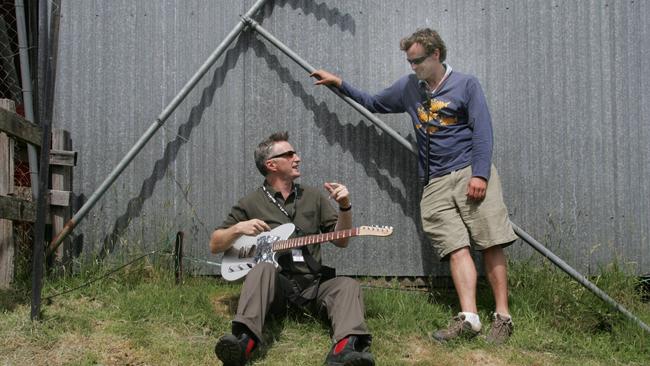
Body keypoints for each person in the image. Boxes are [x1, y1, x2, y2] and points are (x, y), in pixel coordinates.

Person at [311, 28, 518, 344]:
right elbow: (373, 102)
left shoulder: (466, 84)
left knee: (490, 241)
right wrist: (339, 83)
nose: (413, 67)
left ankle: (502, 318)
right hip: (434, 181)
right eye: (409, 61)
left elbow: (483, 132)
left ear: (436, 54)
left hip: (468, 172)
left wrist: (480, 175)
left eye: (418, 61)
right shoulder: (410, 88)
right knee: (455, 246)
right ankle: (470, 318)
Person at [210, 131, 374, 366]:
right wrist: (238, 229)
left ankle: (345, 350)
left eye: (295, 153)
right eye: (289, 154)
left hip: (313, 286)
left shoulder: (314, 196)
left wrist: (345, 207)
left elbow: (341, 240)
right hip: (276, 290)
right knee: (263, 268)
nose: (297, 158)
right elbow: (215, 244)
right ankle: (243, 341)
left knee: (347, 285)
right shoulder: (250, 203)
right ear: (271, 164)